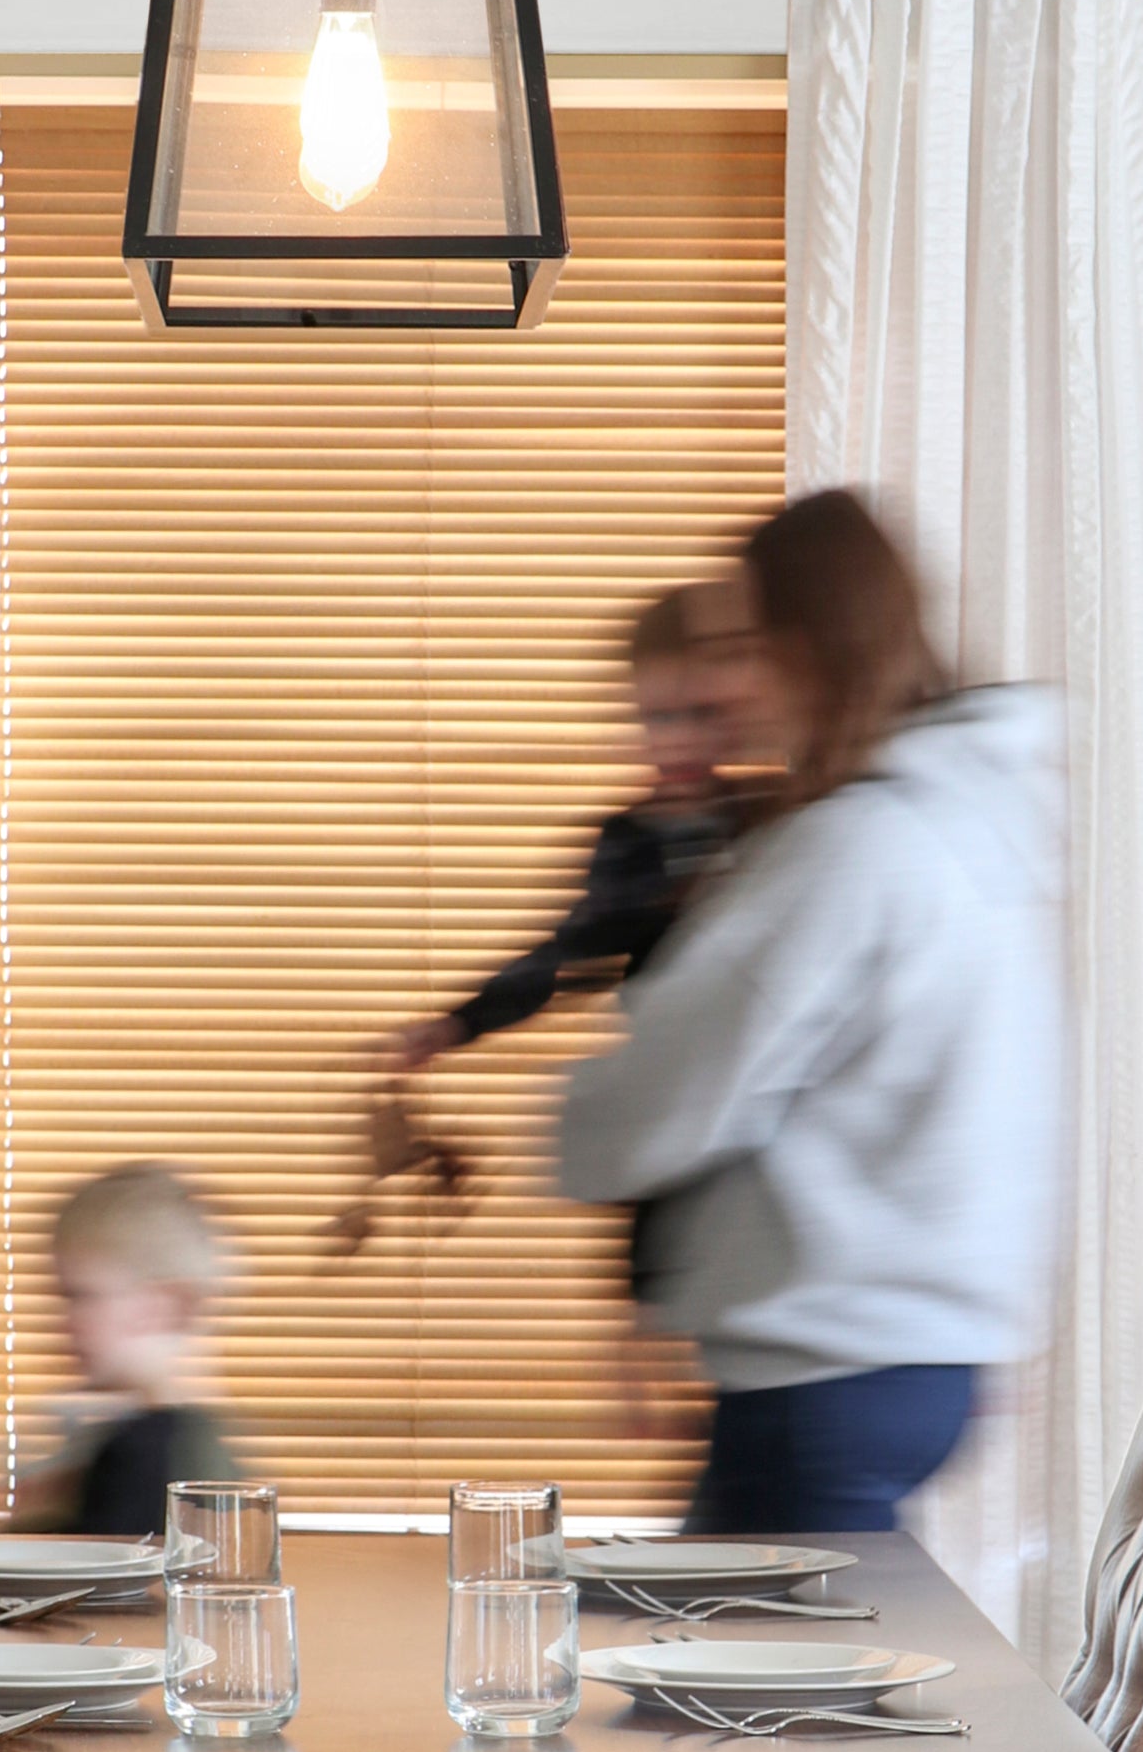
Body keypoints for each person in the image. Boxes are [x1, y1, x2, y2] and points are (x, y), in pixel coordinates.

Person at [556, 488, 1063, 1538]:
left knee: (728, 1694)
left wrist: (575, 1113)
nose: (718, 684)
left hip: (820, 1382)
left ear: (811, 646)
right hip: (919, 1366)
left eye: (740, 646)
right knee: (764, 1676)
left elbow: (657, 1105)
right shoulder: (967, 819)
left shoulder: (849, 849)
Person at [390, 582, 749, 1080]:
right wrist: (457, 1024)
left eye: (702, 714)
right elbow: (558, 961)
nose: (680, 740)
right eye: (659, 718)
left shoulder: (760, 820)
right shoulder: (625, 842)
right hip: (664, 1080)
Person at [11, 1162, 244, 1535]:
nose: (63, 1321)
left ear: (168, 1304)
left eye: (81, 1296)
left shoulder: (140, 1457)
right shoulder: (200, 1444)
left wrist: (38, 1523)